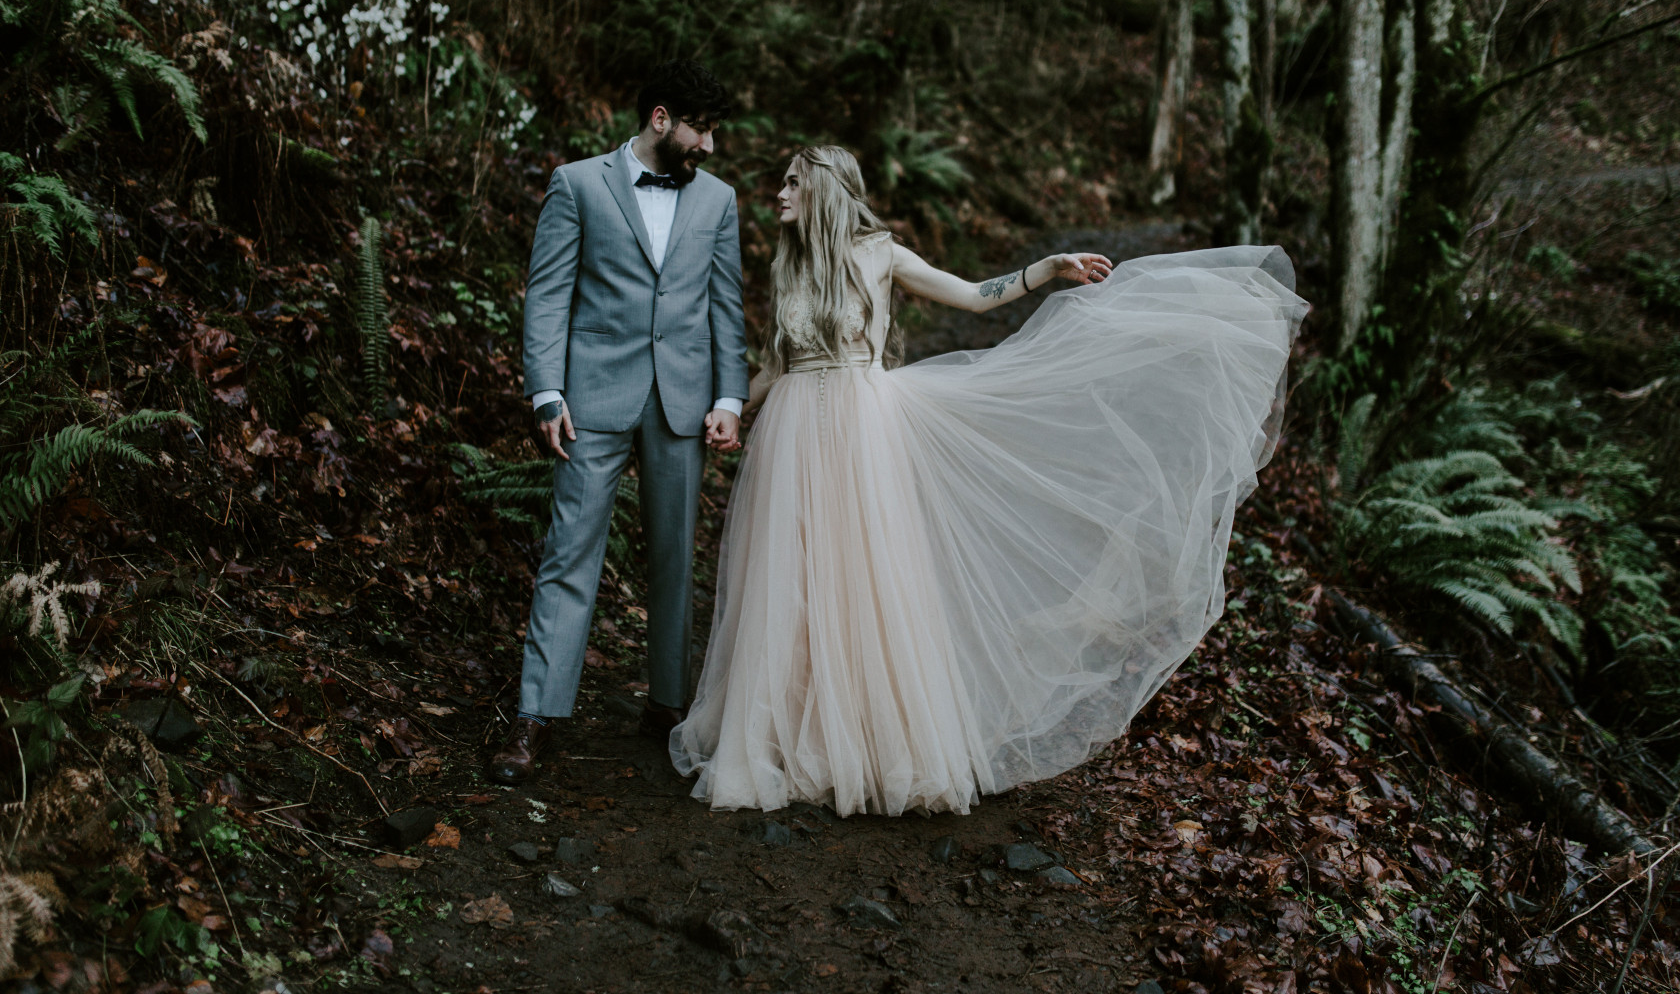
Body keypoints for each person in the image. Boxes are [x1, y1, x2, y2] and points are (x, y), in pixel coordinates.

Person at [671, 145, 1307, 816]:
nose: (779, 194)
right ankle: (782, 729)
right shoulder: (790, 263)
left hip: (860, 432)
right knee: (790, 580)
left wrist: (1049, 269)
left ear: (827, 190)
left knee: (863, 578)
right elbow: (778, 360)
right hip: (793, 434)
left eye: (792, 183)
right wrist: (732, 407)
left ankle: (862, 738)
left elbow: (974, 298)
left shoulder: (882, 254)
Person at [490, 61, 748, 785]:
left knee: (674, 558)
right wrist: (545, 390)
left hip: (683, 403)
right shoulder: (578, 184)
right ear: (661, 118)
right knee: (570, 552)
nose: (710, 146)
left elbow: (725, 304)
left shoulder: (719, 201)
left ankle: (667, 706)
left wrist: (730, 398)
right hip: (592, 400)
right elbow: (547, 295)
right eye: (703, 129)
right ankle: (536, 716)